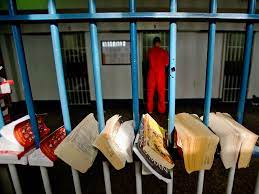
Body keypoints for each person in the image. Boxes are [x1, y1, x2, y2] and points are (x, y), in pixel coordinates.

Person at [147, 37, 169, 114]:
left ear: (153, 43)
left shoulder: (150, 51)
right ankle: (161, 110)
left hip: (152, 74)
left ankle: (150, 110)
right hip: (160, 74)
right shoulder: (164, 52)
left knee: (150, 93)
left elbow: (148, 62)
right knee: (161, 93)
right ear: (159, 43)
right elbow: (166, 64)